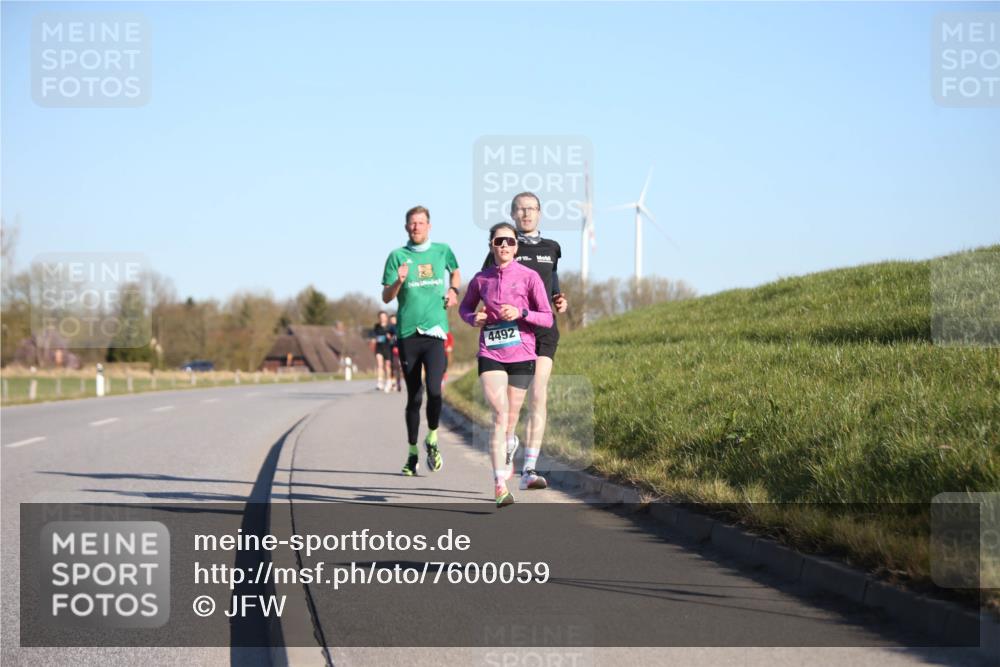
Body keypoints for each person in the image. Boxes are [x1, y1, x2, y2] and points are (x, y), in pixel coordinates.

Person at [462, 222, 553, 507]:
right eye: (499, 241)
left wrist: (521, 312)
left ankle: (511, 442)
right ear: (491, 245)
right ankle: (500, 484)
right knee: (500, 415)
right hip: (491, 352)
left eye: (510, 242)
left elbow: (547, 317)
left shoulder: (530, 277)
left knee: (511, 418)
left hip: (523, 354)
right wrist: (472, 318)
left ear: (517, 246)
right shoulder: (480, 279)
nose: (505, 247)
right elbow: (465, 308)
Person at [481, 192, 568, 491]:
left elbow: (551, 278)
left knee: (539, 394)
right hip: (514, 334)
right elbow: (488, 280)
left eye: (531, 209)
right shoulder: (505, 244)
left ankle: (529, 468)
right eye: (520, 210)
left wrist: (558, 297)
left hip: (542, 329)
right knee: (512, 409)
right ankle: (508, 443)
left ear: (540, 213)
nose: (526, 214)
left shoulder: (552, 247)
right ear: (513, 214)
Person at [382, 206, 461, 475]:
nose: (416, 227)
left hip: (435, 332)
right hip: (407, 333)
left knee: (435, 390)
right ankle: (412, 453)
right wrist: (399, 282)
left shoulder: (442, 250)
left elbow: (456, 271)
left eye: (421, 223)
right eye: (412, 223)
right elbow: (386, 297)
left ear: (429, 225)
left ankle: (433, 437)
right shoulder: (397, 256)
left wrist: (453, 289)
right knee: (414, 396)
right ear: (406, 227)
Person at [370, 311, 393, 392]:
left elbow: (394, 337)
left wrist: (390, 337)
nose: (382, 318)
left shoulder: (390, 327)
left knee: (387, 366)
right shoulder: (376, 326)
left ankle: (389, 381)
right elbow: (373, 336)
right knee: (379, 364)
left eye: (383, 317)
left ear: (386, 318)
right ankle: (380, 382)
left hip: (387, 348)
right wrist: (373, 339)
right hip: (379, 348)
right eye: (380, 317)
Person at [388, 314, 402, 392]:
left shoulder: (400, 326)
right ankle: (394, 383)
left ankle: (398, 383)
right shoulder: (390, 328)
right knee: (394, 366)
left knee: (399, 367)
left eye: (394, 319)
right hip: (393, 349)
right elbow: (388, 336)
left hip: (401, 348)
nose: (393, 321)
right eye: (391, 320)